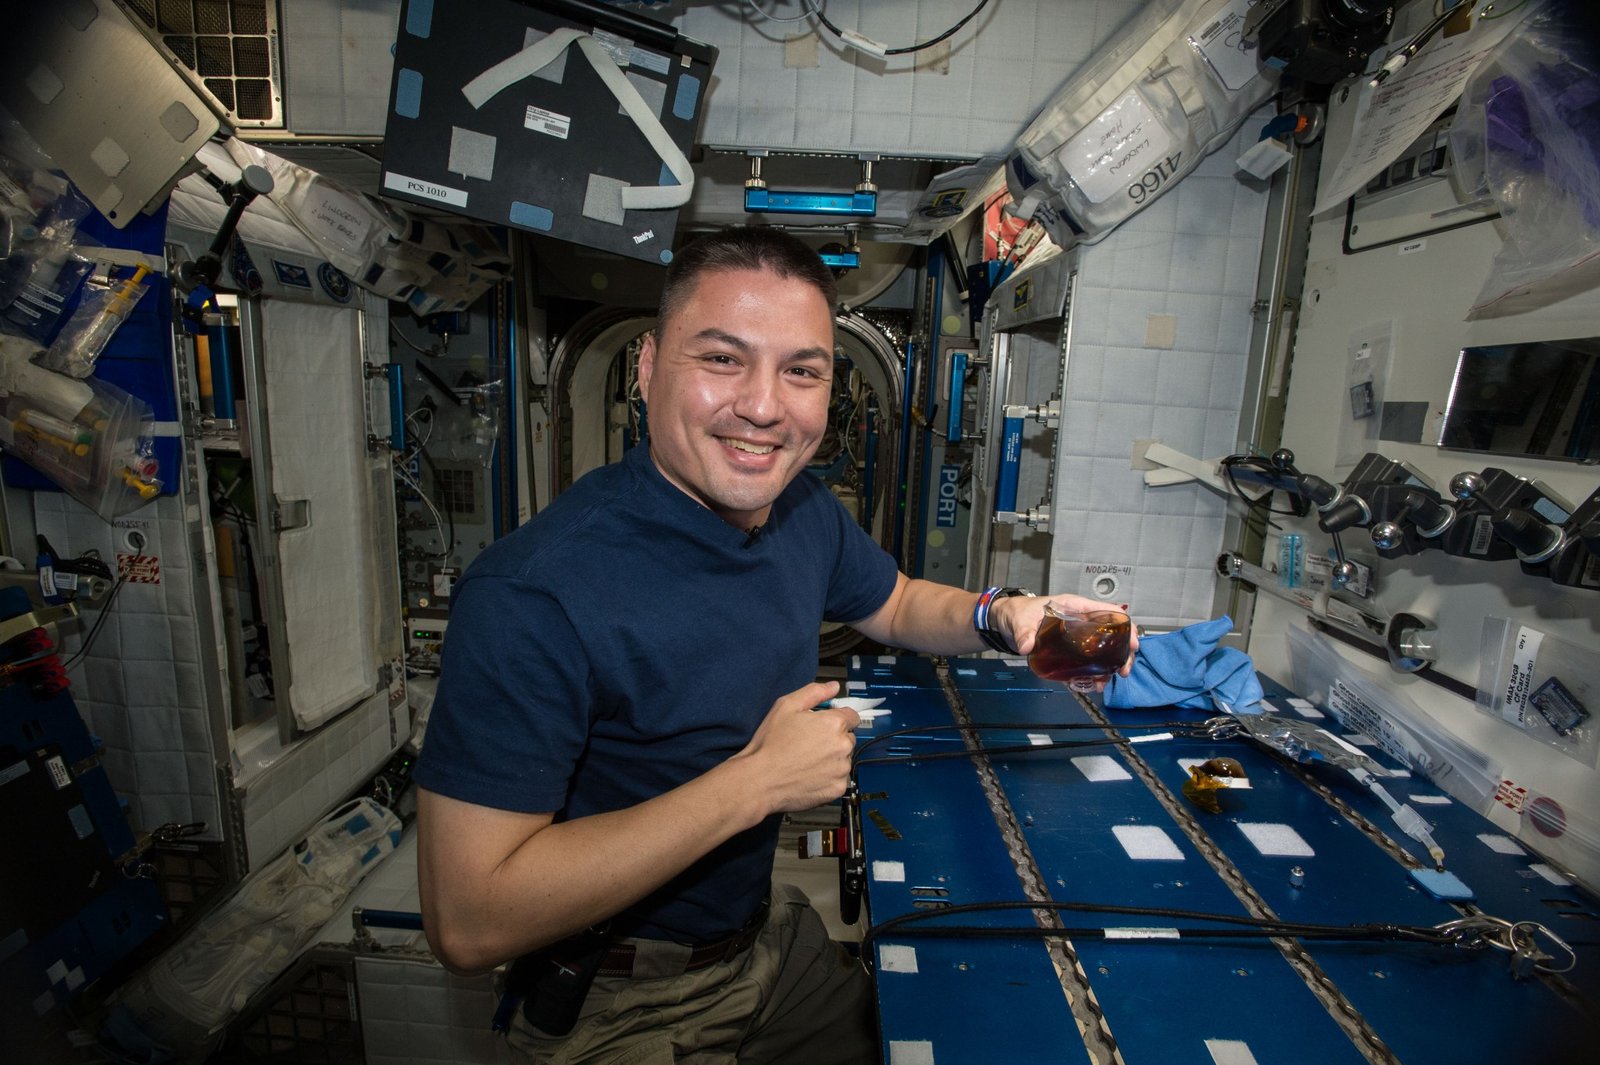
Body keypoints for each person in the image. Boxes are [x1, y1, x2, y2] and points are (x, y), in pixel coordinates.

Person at [414, 226, 1135, 1064]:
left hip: (762, 943)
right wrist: (758, 784)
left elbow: (895, 601)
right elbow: (466, 922)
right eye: (722, 358)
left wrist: (1001, 612)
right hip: (625, 1000)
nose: (763, 405)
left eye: (802, 370)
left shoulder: (801, 513)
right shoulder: (533, 595)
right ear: (646, 367)